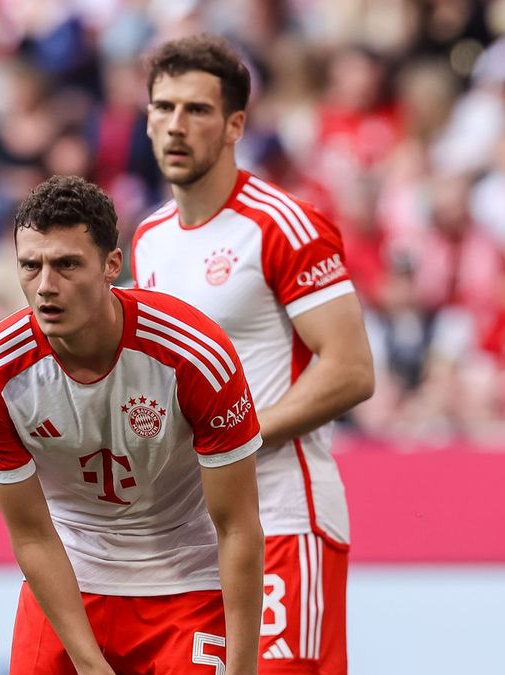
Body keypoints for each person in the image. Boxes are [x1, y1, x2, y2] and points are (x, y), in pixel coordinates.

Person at [131, 35, 375, 674]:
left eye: (197, 109)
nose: (175, 126)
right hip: (192, 535)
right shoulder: (149, 239)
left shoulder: (282, 225)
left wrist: (232, 438)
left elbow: (350, 369)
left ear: (235, 124)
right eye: (163, 108)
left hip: (283, 520)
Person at [0, 175, 264, 674]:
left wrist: (244, 669)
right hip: (70, 581)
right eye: (30, 266)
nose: (45, 286)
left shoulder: (196, 356)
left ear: (111, 266)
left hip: (185, 578)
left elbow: (238, 526)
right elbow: (31, 534)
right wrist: (89, 662)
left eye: (67, 264)